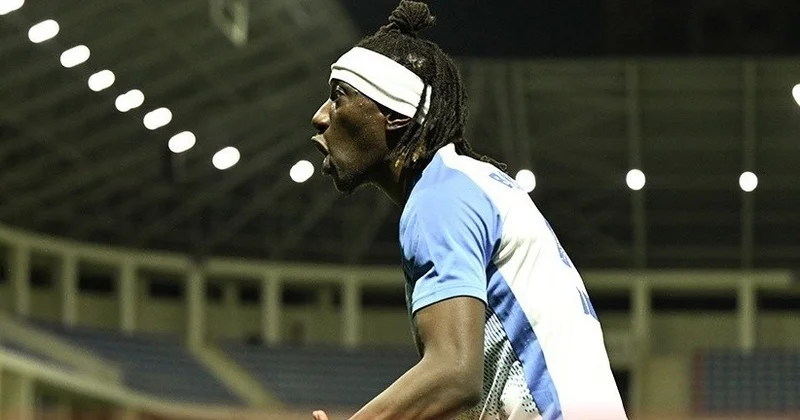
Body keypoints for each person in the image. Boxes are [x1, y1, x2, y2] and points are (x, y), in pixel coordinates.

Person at [309, 1, 628, 419]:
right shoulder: (464, 183)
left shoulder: (440, 197)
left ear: (393, 115)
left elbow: (454, 375)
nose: (320, 117)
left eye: (338, 97)